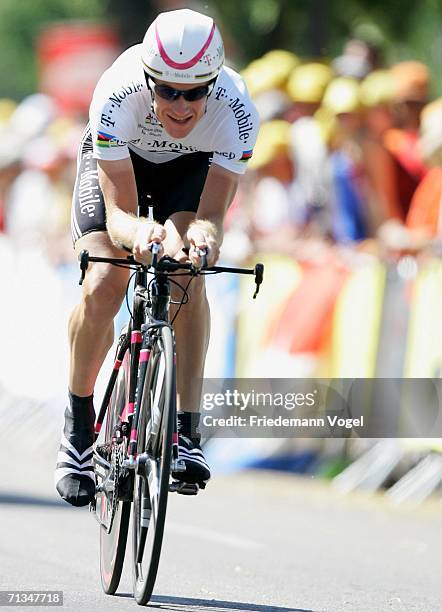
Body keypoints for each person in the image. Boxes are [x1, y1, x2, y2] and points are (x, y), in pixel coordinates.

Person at [55, 8, 259, 506]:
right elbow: (120, 212)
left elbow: (212, 214)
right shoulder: (116, 94)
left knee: (191, 272)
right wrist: (143, 231)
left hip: (189, 171)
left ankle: (187, 432)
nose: (183, 105)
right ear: (148, 79)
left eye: (195, 91)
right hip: (122, 166)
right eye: (167, 90)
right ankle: (78, 429)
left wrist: (203, 240)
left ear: (214, 84)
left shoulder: (237, 111)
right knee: (105, 280)